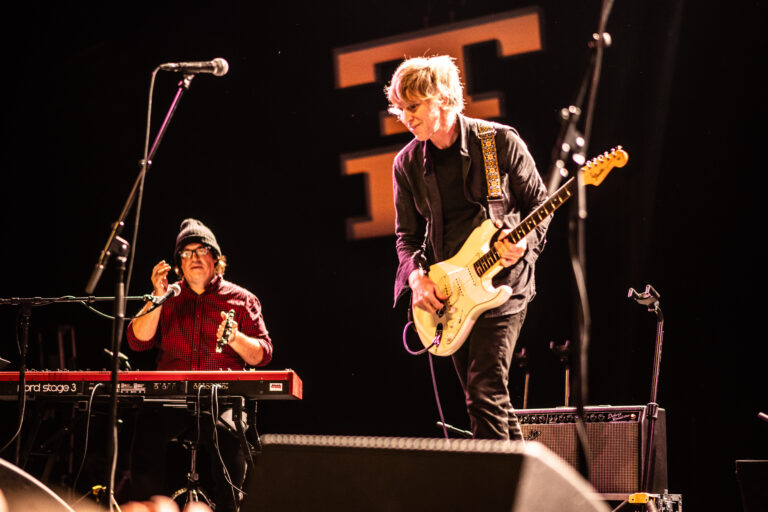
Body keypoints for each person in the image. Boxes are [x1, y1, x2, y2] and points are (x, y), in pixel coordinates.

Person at [385, 55, 550, 441]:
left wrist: (523, 244)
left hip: (504, 284)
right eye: (400, 108)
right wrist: (416, 280)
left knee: (483, 393)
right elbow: (406, 237)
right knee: (489, 398)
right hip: (453, 290)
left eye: (413, 106)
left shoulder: (497, 141)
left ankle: (493, 494)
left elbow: (539, 205)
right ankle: (528, 488)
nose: (406, 117)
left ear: (441, 97)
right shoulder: (406, 163)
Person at [125, 218, 273, 512]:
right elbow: (137, 341)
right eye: (186, 252)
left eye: (201, 250)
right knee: (146, 427)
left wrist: (235, 338)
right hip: (172, 399)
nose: (193, 257)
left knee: (229, 435)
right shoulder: (167, 298)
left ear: (216, 259)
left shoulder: (242, 299)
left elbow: (263, 354)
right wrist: (157, 296)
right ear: (178, 263)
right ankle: (146, 507)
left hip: (222, 400)